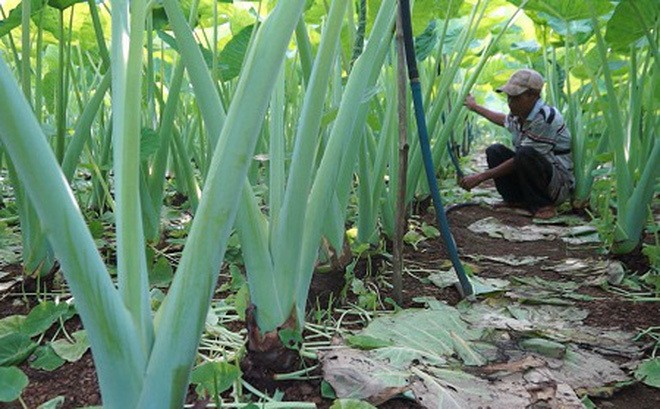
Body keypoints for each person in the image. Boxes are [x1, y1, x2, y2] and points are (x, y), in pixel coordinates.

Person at [461, 68, 574, 219]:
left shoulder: (546, 118)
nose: (510, 103)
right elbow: (503, 120)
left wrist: (481, 177)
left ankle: (544, 205)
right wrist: (475, 107)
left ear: (532, 95)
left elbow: (522, 159)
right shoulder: (519, 115)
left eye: (515, 98)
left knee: (525, 153)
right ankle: (515, 201)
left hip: (557, 185)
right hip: (534, 176)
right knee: (494, 150)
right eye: (509, 98)